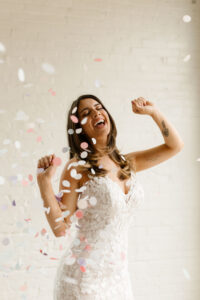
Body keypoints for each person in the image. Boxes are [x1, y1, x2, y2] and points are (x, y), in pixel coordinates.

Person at [37, 94, 184, 299]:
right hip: (82, 278)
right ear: (79, 129)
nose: (97, 112)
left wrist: (153, 112)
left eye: (99, 107)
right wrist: (44, 184)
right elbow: (60, 228)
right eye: (86, 113)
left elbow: (174, 146)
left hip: (119, 278)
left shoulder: (127, 163)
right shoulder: (77, 167)